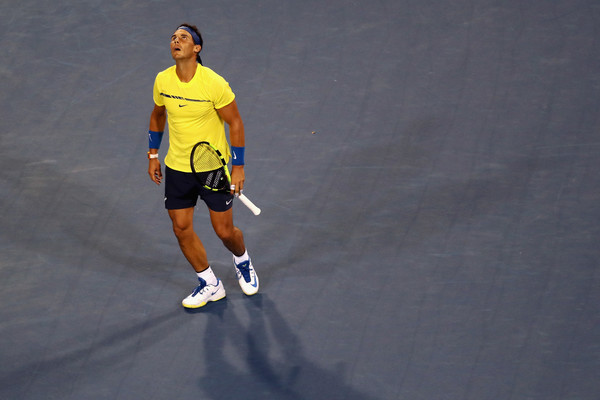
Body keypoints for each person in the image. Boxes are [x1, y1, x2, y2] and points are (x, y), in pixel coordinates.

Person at [147, 23, 259, 308]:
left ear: (196, 49)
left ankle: (242, 259)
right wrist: (152, 155)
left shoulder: (213, 83)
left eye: (183, 37)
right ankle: (210, 282)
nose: (176, 40)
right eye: (173, 37)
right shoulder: (162, 80)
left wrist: (239, 167)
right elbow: (158, 115)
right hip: (177, 168)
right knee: (180, 228)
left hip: (212, 168)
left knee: (225, 232)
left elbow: (235, 122)